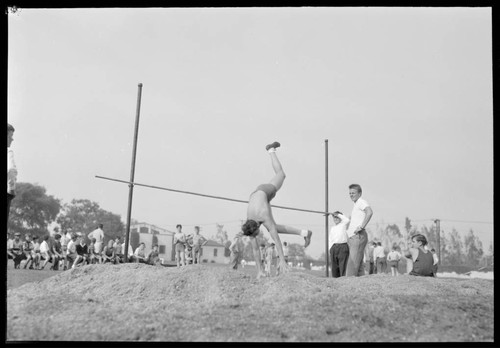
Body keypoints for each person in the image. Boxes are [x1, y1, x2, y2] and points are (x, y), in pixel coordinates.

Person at [241, 142, 313, 278]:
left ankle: (271, 150)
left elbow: (276, 240)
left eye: (257, 233)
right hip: (256, 196)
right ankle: (304, 232)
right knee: (273, 227)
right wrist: (259, 271)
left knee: (281, 174)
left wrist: (282, 260)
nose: (257, 235)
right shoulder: (249, 225)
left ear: (256, 226)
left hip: (264, 191)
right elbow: (255, 249)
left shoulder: (263, 215)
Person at [345, 184, 373, 277]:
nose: (351, 195)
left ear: (360, 193)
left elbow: (369, 212)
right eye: (350, 193)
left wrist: (361, 227)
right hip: (353, 238)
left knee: (352, 266)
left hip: (358, 236)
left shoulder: (361, 202)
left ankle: (348, 287)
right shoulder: (356, 204)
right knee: (359, 266)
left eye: (353, 193)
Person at [329, 211, 350, 278]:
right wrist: (330, 248)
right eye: (334, 217)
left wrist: (338, 214)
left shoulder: (343, 224)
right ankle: (335, 281)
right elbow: (330, 239)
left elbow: (347, 220)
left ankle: (342, 280)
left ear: (340, 217)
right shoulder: (332, 228)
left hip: (342, 246)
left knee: (342, 266)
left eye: (337, 217)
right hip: (334, 247)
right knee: (334, 267)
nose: (335, 219)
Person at [7, 123, 17, 224]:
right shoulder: (8, 151)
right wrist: (11, 188)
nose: (12, 139)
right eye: (11, 136)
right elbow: (10, 169)